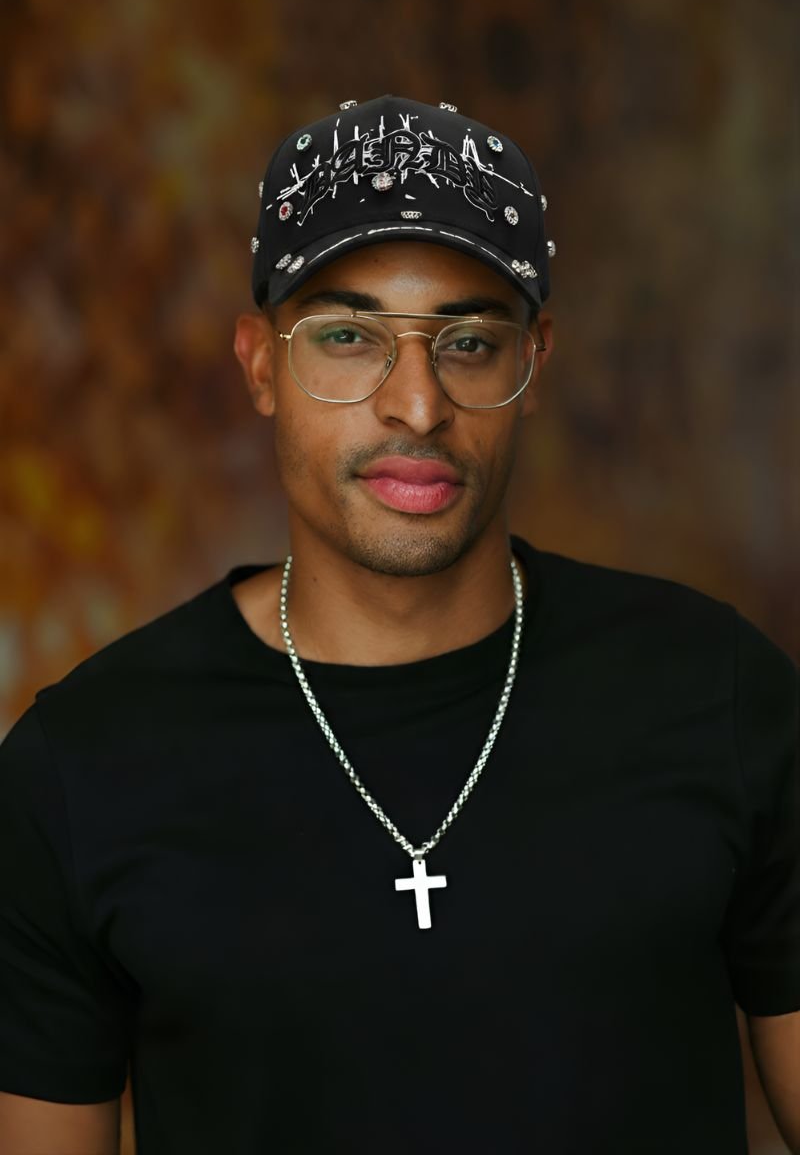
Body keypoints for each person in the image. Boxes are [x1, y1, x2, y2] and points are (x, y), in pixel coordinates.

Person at [0, 95, 797, 1155]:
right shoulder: (82, 767)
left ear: (533, 365)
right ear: (258, 365)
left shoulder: (717, 693)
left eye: (466, 341)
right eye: (347, 336)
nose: (415, 405)